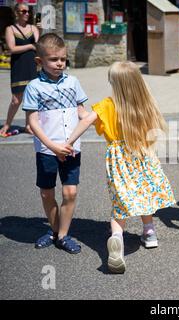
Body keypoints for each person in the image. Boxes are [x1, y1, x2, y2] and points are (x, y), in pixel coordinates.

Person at [61, 61, 176, 274]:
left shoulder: (106, 105)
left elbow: (86, 121)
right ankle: (149, 232)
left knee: (120, 201)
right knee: (144, 195)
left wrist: (69, 141)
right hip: (142, 154)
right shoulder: (144, 102)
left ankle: (116, 237)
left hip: (118, 159)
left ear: (113, 82)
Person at [22, 33, 88, 254]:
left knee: (70, 193)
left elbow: (82, 112)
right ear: (40, 61)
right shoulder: (33, 87)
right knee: (47, 193)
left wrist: (96, 118)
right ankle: (53, 229)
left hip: (71, 149)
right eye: (53, 59)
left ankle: (63, 235)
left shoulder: (73, 82)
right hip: (46, 150)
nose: (60, 63)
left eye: (63, 59)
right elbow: (31, 121)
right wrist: (52, 146)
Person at [0, 3, 39, 137]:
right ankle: (7, 124)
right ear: (17, 13)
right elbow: (12, 49)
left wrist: (41, 32)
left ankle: (29, 125)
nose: (27, 14)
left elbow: (38, 45)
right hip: (19, 65)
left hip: (32, 64)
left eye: (28, 11)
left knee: (31, 97)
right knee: (16, 99)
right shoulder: (10, 29)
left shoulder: (33, 28)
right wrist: (29, 46)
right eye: (24, 11)